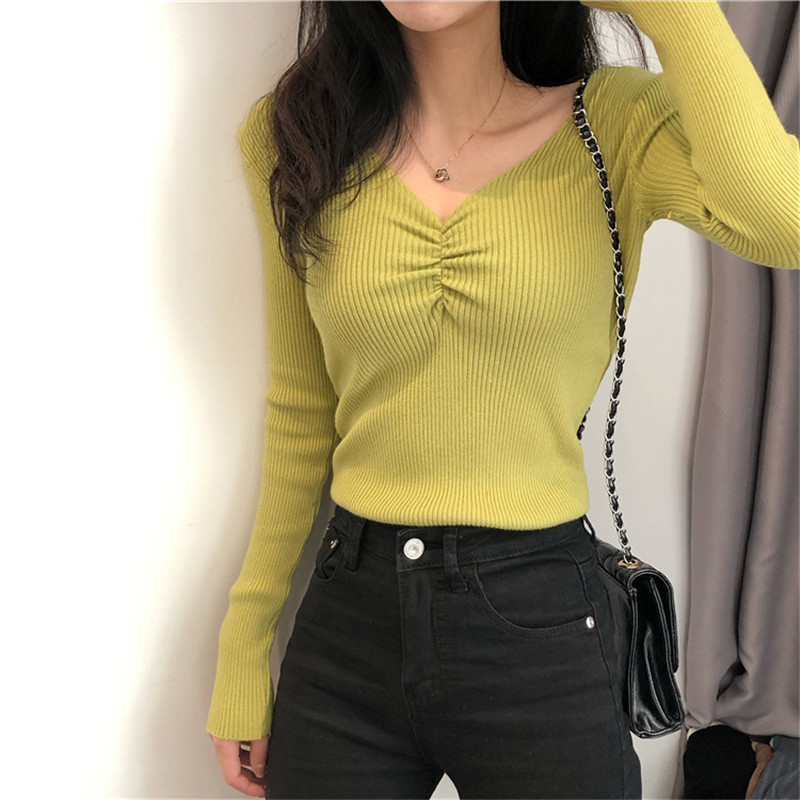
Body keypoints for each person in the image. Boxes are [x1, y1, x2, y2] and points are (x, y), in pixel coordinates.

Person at [205, 1, 800, 798]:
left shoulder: (618, 124)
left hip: (540, 624)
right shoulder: (299, 132)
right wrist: (245, 643)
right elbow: (303, 410)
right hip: (348, 627)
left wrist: (671, 8)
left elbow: (785, 221)